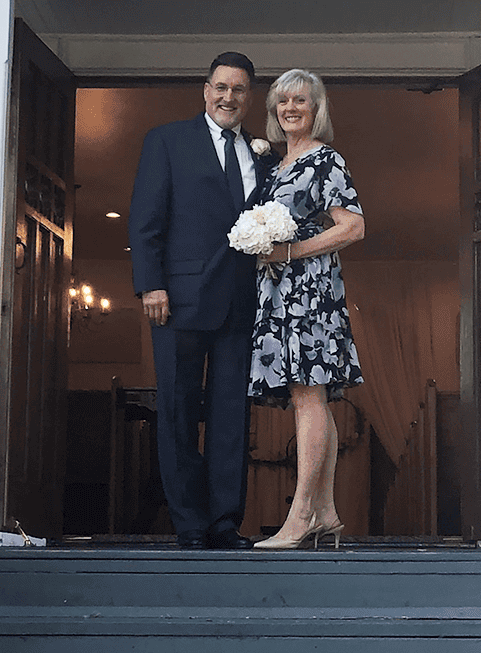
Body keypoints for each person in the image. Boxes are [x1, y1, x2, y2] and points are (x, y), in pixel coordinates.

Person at [127, 52, 268, 550]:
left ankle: (225, 522)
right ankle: (189, 523)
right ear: (205, 90)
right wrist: (150, 284)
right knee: (179, 409)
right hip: (179, 299)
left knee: (232, 412)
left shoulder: (260, 154)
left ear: (250, 97)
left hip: (240, 301)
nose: (229, 97)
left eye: (239, 90)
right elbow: (145, 218)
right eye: (221, 87)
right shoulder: (167, 140)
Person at [250, 69, 365, 549]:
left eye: (301, 100)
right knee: (309, 397)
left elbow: (353, 227)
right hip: (278, 291)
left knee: (308, 397)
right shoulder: (276, 166)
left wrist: (292, 253)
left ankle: (298, 518)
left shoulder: (325, 160)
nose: (291, 108)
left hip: (309, 289)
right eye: (283, 101)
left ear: (317, 108)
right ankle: (326, 512)